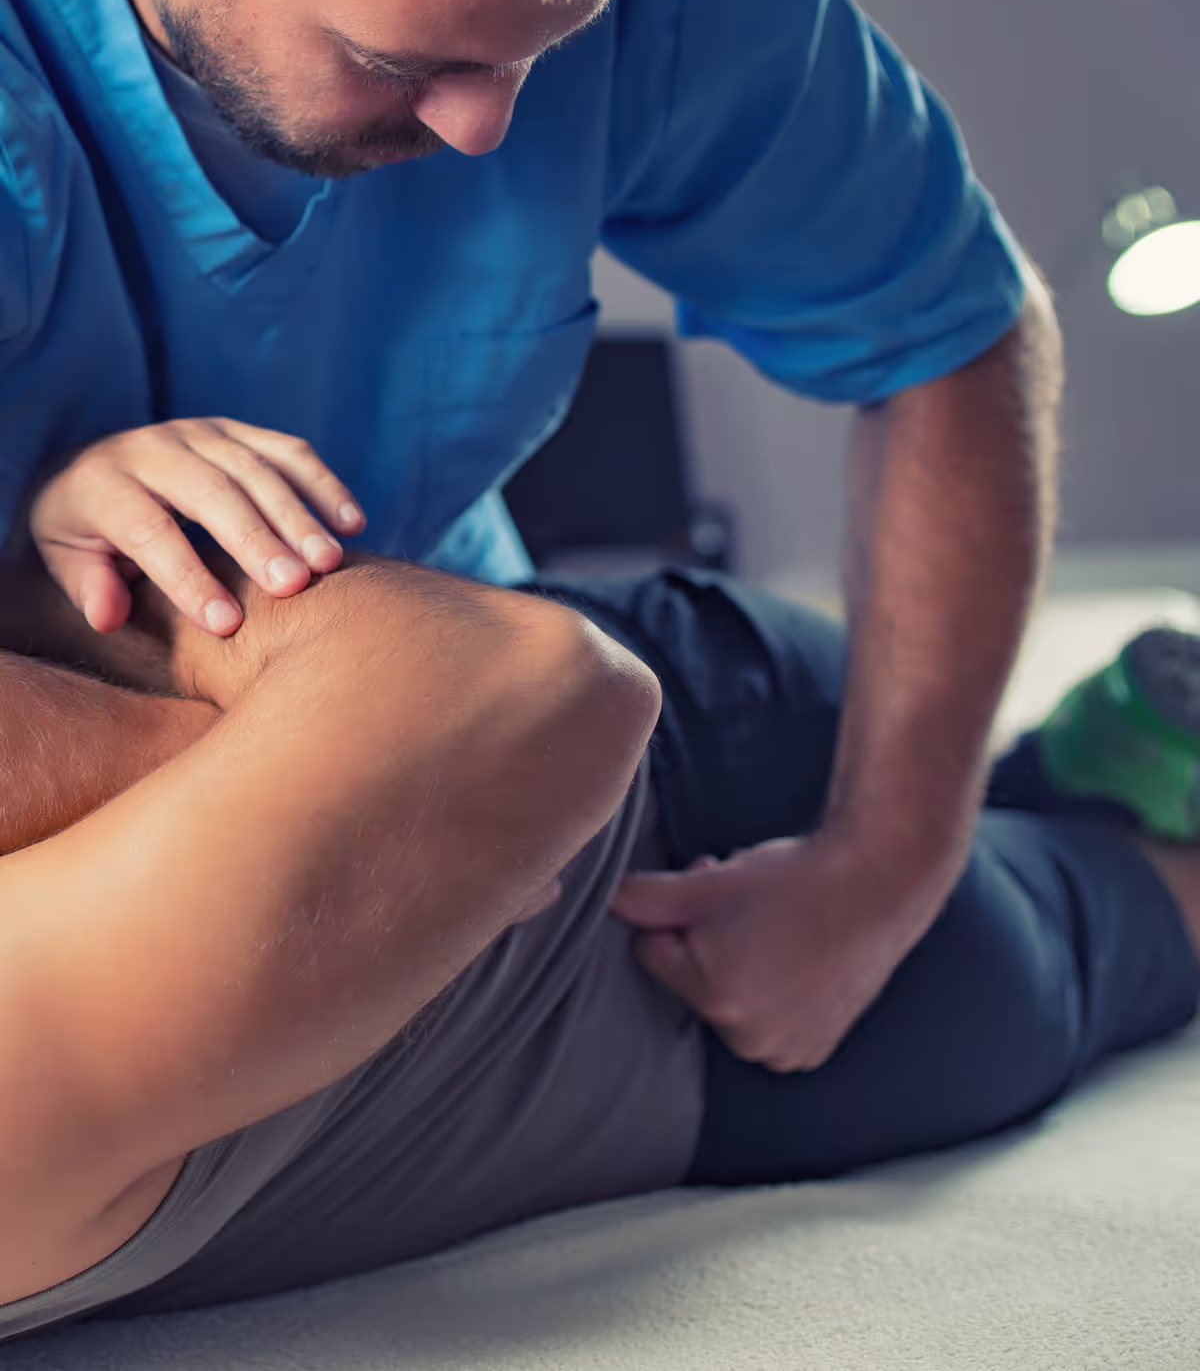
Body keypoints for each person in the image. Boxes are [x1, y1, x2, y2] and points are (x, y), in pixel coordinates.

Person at [0, 0, 1064, 1108]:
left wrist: (885, 868)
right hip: (408, 749)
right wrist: (374, 806)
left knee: (961, 968)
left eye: (544, 53)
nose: (490, 127)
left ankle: (1134, 777)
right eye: (403, 63)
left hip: (538, 690)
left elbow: (951, 322)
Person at [0, 509, 1197, 1343]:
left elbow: (524, 708)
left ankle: (1056, 773)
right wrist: (378, 779)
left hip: (672, 721)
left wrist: (400, 797)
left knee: (1002, 822)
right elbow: (517, 704)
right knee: (1112, 883)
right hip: (742, 990)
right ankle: (1088, 765)